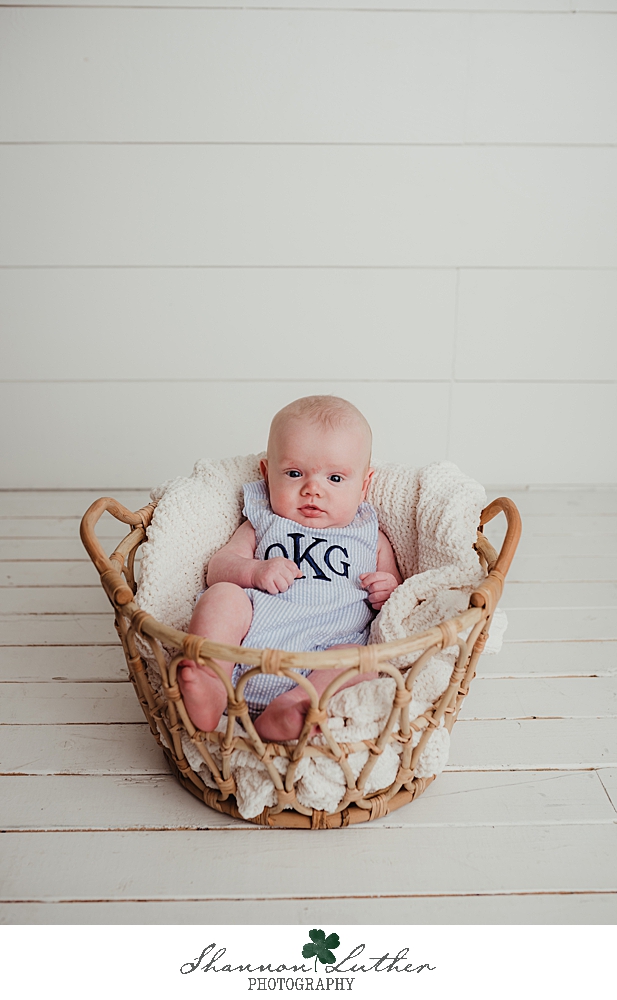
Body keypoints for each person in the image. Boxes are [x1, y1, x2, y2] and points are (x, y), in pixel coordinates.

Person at [178, 395, 402, 741]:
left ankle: (292, 707)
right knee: (223, 596)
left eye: (335, 478)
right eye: (295, 474)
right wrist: (254, 571)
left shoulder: (370, 536)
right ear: (267, 474)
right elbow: (218, 568)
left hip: (326, 656)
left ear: (364, 486)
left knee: (362, 661)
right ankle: (212, 682)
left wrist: (387, 589)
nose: (313, 490)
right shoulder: (263, 521)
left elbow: (399, 595)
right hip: (247, 647)